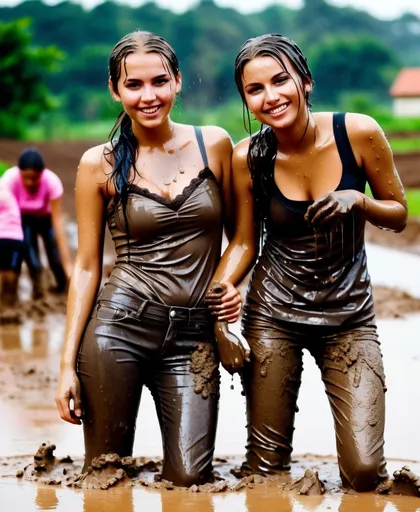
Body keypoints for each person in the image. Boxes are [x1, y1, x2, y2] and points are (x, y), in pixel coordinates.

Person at [209, 33, 420, 494]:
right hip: (273, 315)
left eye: (280, 80)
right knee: (266, 470)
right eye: (255, 89)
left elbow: (400, 214)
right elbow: (244, 243)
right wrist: (221, 314)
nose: (271, 96)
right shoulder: (250, 157)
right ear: (246, 99)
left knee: (364, 473)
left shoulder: (358, 132)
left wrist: (357, 201)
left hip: (349, 317)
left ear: (305, 82)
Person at [54, 30, 241, 487]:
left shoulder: (213, 144)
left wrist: (230, 292)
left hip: (193, 337)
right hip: (118, 329)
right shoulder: (98, 162)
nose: (148, 95)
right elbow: (86, 267)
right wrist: (64, 366)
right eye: (133, 85)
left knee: (191, 481)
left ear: (178, 81)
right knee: (105, 477)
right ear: (115, 90)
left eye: (159, 81)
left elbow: (241, 239)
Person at [1, 149, 72, 298]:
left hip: (46, 219)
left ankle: (63, 286)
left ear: (42, 173)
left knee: (54, 254)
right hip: (23, 220)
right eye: (26, 177)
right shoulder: (9, 180)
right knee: (32, 258)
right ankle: (39, 292)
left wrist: (68, 266)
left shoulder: (52, 182)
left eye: (35, 178)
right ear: (19, 172)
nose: (30, 182)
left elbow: (57, 221)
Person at [0, 180, 24, 314]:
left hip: (4, 237)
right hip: (16, 238)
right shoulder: (8, 193)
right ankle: (10, 304)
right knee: (13, 271)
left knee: (4, 272)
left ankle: (4, 305)